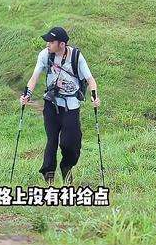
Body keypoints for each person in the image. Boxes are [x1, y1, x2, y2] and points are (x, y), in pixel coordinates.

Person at [19, 26, 101, 186]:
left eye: (51, 41)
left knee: (71, 142)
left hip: (71, 106)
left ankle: (66, 167)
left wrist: (95, 97)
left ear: (62, 44)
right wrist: (27, 95)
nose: (47, 44)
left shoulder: (76, 57)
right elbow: (34, 77)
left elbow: (90, 80)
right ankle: (48, 174)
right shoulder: (45, 55)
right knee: (52, 140)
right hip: (51, 104)